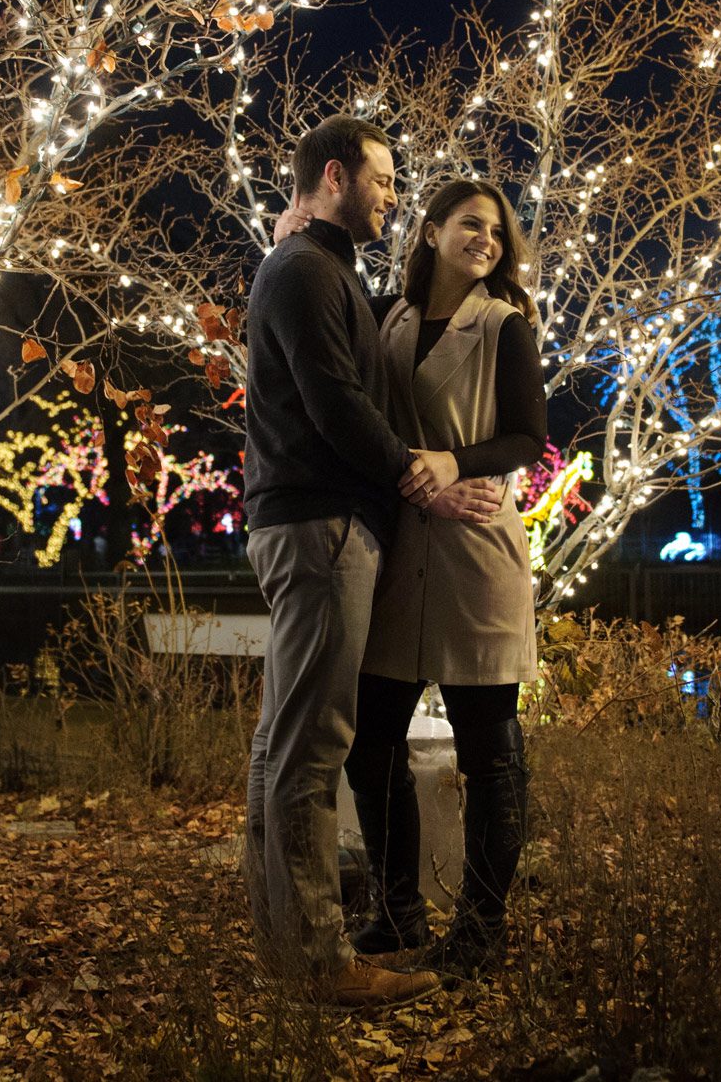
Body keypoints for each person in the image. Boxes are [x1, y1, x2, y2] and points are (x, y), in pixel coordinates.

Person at [242, 114, 497, 1009]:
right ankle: (318, 961)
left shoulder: (316, 266)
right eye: (385, 182)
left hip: (312, 524)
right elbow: (336, 403)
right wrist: (421, 483)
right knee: (313, 747)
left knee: (284, 742)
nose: (395, 198)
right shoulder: (307, 272)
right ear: (338, 177)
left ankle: (284, 939)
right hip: (322, 528)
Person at [286, 180, 546, 977]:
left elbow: (527, 438)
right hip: (401, 550)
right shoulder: (385, 317)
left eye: (497, 232)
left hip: (475, 551)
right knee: (371, 741)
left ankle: (480, 931)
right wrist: (291, 231)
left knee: (490, 751)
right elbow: (319, 315)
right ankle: (397, 915)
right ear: (429, 232)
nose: (488, 241)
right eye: (471, 225)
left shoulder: (506, 325)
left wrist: (454, 463)